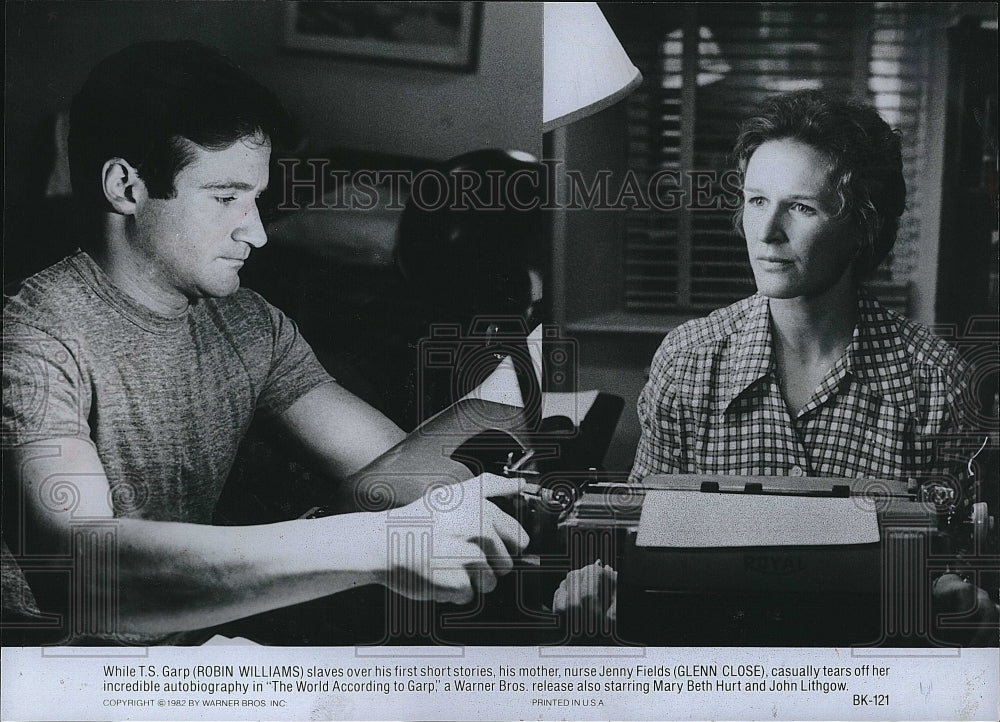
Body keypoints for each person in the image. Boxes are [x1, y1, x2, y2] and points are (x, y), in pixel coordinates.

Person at [1, 40, 528, 645]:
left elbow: (395, 476)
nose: (256, 231)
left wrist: (519, 381)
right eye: (225, 198)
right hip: (44, 668)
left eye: (256, 199)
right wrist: (369, 543)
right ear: (126, 186)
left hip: (175, 651)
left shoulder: (248, 322)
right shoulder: (34, 337)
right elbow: (86, 576)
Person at [555, 90, 997, 644]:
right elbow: (642, 541)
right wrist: (599, 595)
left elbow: (951, 570)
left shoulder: (934, 381)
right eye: (757, 200)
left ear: (864, 223)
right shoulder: (688, 360)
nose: (765, 233)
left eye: (802, 207)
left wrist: (973, 619)